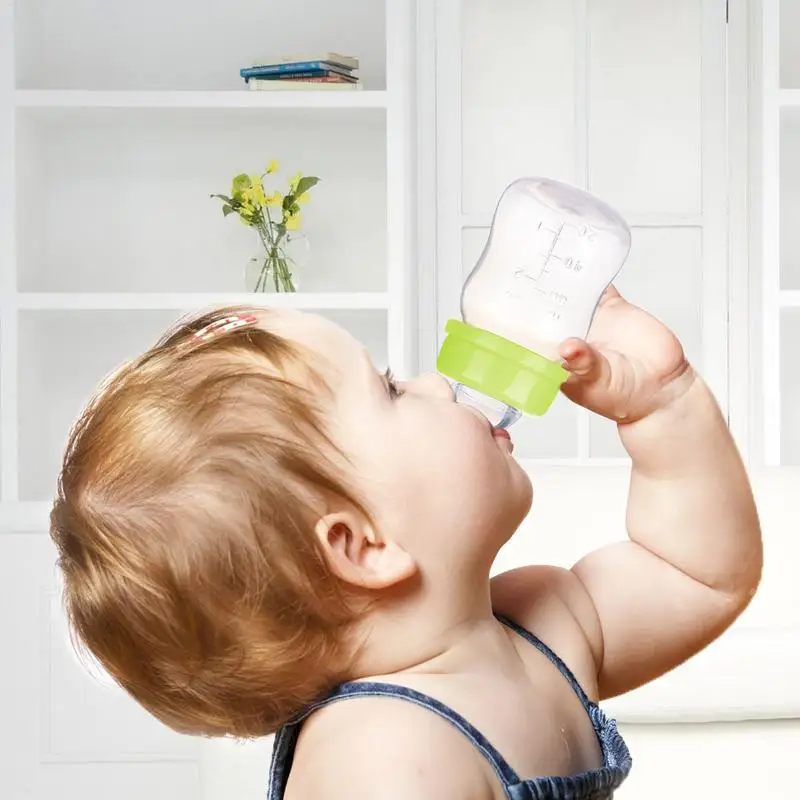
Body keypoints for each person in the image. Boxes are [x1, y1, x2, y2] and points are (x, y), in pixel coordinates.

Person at [49, 287, 762, 799]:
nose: (434, 383)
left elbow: (696, 573)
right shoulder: (381, 755)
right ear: (361, 546)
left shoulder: (538, 622)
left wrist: (664, 403)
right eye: (390, 390)